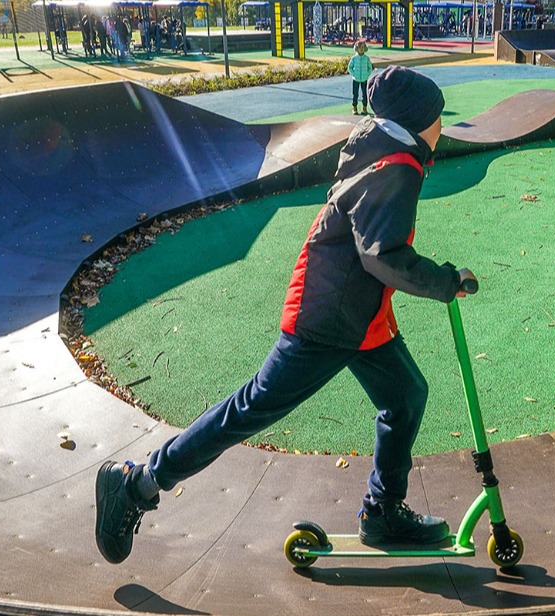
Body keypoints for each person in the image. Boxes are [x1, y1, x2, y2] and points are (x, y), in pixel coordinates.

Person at [94, 65, 477, 565]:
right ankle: (137, 484)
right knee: (251, 408)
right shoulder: (396, 167)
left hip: (358, 314)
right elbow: (381, 255)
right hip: (328, 317)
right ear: (416, 119)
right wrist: (447, 281)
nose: (442, 125)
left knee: (405, 396)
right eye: (437, 116)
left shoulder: (381, 147)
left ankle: (383, 512)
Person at [348, 41, 373, 115]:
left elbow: (370, 68)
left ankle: (364, 107)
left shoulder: (366, 58)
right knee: (355, 94)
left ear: (365, 48)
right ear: (356, 48)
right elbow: (350, 67)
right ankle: (354, 107)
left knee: (364, 94)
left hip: (364, 79)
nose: (361, 49)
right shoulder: (354, 58)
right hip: (356, 79)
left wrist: (367, 75)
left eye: (362, 47)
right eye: (359, 47)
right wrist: (353, 74)